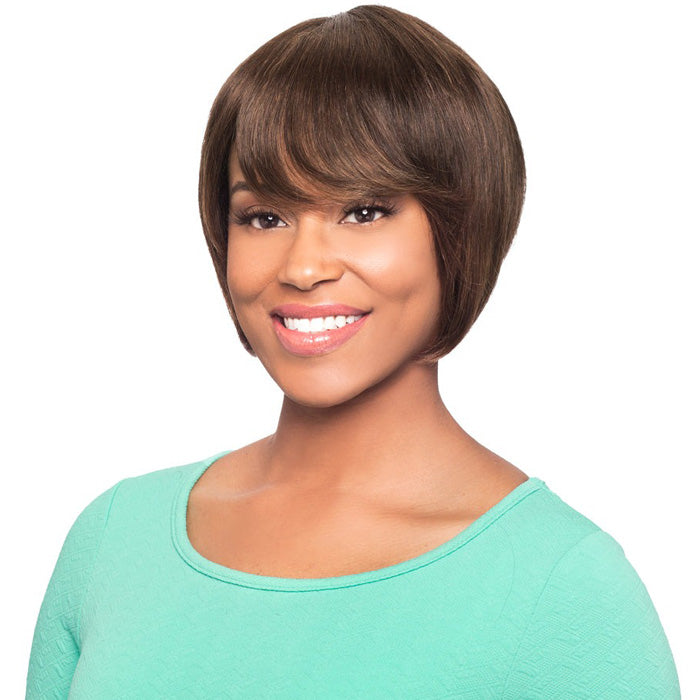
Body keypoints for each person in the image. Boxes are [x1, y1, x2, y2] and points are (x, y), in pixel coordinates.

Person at [26, 5, 680, 698]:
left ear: (460, 229)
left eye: (363, 212)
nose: (303, 267)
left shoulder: (565, 591)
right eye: (265, 216)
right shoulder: (114, 542)